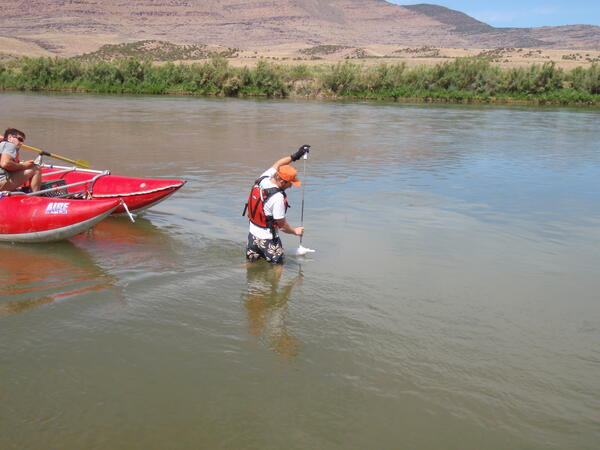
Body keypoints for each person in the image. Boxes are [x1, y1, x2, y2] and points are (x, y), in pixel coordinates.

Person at [244, 144, 310, 264]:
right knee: (278, 267)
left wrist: (296, 155)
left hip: (252, 236)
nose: (291, 186)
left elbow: (278, 163)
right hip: (268, 240)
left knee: (252, 264)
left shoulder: (263, 179)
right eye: (290, 183)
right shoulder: (277, 198)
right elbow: (283, 226)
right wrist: (296, 231)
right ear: (282, 181)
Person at [0, 128, 41, 192]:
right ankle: (36, 197)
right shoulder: (10, 145)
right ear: (10, 137)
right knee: (36, 168)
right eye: (20, 139)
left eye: (22, 141)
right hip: (2, 183)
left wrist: (20, 165)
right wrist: (24, 165)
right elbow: (5, 163)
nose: (21, 143)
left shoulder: (2, 145)